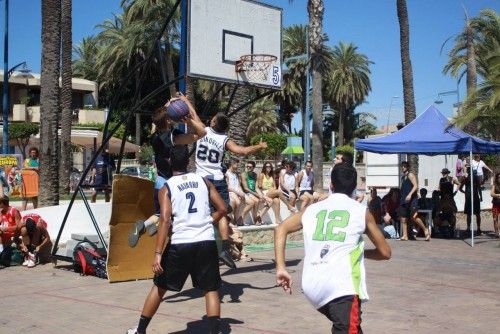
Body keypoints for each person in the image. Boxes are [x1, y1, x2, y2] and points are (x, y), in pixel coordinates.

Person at [274, 162, 391, 334]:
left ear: (331, 185)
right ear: (355, 188)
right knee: (347, 326)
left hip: (312, 286)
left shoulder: (312, 210)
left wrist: (281, 268)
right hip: (341, 287)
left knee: (352, 327)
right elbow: (385, 252)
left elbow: (280, 229)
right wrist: (359, 252)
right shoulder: (360, 211)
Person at [127, 145, 227, 334]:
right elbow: (222, 208)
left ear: (170, 162)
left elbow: (165, 219)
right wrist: (205, 221)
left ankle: (140, 331)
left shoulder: (167, 187)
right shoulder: (203, 181)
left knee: (159, 287)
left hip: (180, 243)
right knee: (211, 289)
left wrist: (157, 253)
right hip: (206, 241)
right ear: (188, 163)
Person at [128, 94, 207, 249]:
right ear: (169, 120)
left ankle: (149, 226)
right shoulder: (174, 137)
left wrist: (170, 103)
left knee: (160, 214)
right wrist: (188, 116)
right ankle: (147, 226)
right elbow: (202, 133)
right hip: (172, 183)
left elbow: (159, 116)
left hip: (159, 182)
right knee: (168, 218)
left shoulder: (154, 136)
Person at [195, 112, 266, 256]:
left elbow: (193, 113)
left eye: (212, 118)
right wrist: (259, 146)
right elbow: (243, 151)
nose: (211, 119)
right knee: (222, 213)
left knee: (207, 213)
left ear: (214, 123)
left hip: (201, 179)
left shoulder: (203, 130)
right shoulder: (225, 140)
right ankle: (225, 247)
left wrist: (184, 99)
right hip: (217, 179)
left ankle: (206, 242)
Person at [398, 161, 429, 241]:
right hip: (404, 201)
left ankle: (425, 229)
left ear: (407, 167)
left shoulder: (410, 175)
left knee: (414, 217)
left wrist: (410, 194)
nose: (403, 168)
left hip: (412, 200)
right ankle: (405, 236)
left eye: (404, 166)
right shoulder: (402, 177)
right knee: (403, 219)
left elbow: (415, 186)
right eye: (402, 166)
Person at [459, 166, 482, 236]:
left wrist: (481, 196)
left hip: (473, 197)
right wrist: (481, 196)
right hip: (471, 197)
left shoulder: (472, 178)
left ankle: (477, 228)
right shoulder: (466, 178)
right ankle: (471, 228)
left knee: (476, 214)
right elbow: (479, 188)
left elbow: (479, 187)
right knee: (472, 214)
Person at [0, 196, 22, 267]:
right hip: (3, 234)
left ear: (3, 203)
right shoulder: (2, 212)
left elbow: (18, 226)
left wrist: (7, 229)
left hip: (11, 235)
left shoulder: (14, 211)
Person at [240, 161, 263, 225]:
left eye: (250, 167)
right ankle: (243, 218)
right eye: (247, 166)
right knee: (256, 201)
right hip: (246, 192)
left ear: (253, 168)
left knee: (258, 200)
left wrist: (261, 195)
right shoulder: (243, 174)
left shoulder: (255, 175)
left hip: (252, 193)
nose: (248, 168)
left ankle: (255, 219)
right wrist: (256, 194)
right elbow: (245, 188)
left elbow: (256, 188)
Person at [491, 172, 500, 238]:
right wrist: (499, 195)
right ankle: (496, 232)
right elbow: (492, 194)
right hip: (495, 204)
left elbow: (494, 194)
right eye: (499, 177)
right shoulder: (494, 185)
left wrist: (495, 195)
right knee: (495, 219)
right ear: (497, 178)